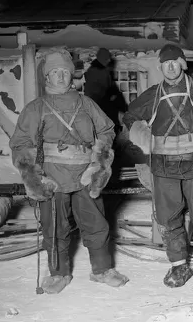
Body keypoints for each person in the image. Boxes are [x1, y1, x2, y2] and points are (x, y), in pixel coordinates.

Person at [9, 49, 129, 294]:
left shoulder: (86, 104)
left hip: (85, 173)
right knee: (54, 226)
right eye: (55, 72)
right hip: (52, 175)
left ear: (71, 75)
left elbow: (106, 131)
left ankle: (102, 269)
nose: (61, 77)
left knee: (96, 222)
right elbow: (20, 144)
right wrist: (35, 177)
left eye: (65, 71)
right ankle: (58, 273)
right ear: (47, 77)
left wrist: (99, 163)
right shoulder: (36, 108)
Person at [122, 43, 193, 288]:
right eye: (167, 63)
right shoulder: (153, 94)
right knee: (168, 218)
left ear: (182, 64)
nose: (172, 67)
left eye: (176, 61)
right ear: (161, 66)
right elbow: (130, 116)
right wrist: (145, 139)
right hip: (164, 168)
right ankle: (178, 266)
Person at [84, 48, 126, 134]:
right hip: (97, 101)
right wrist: (110, 95)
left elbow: (111, 87)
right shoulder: (95, 71)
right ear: (102, 59)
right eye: (107, 58)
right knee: (109, 117)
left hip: (101, 100)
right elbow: (96, 90)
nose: (109, 60)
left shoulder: (102, 70)